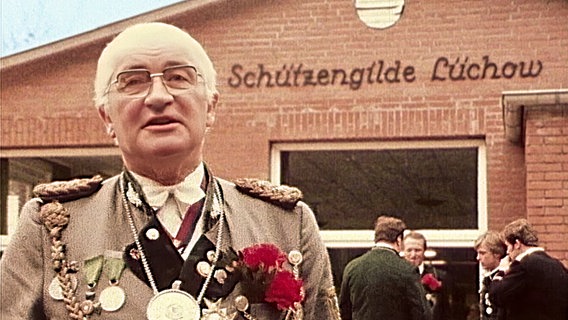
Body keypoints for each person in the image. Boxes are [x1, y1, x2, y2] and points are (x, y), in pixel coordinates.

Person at [0, 22, 341, 320]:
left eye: (179, 77)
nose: (159, 97)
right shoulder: (51, 227)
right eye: (133, 81)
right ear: (107, 117)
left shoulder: (285, 222)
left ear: (210, 107)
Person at [339, 216, 432, 320]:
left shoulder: (352, 267)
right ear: (399, 240)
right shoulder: (407, 269)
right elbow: (422, 313)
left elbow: (344, 310)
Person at [488, 218, 568, 320]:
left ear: (517, 244)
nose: (507, 252)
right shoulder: (557, 265)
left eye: (508, 246)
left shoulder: (523, 266)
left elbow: (497, 295)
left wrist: (501, 271)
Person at [403, 231, 452, 320]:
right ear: (403, 251)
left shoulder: (440, 276)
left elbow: (447, 312)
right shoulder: (395, 276)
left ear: (424, 251)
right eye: (409, 250)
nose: (413, 255)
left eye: (417, 250)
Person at [473, 231, 507, 320]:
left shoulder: (505, 278)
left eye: (482, 253)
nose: (478, 258)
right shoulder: (489, 279)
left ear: (497, 253)